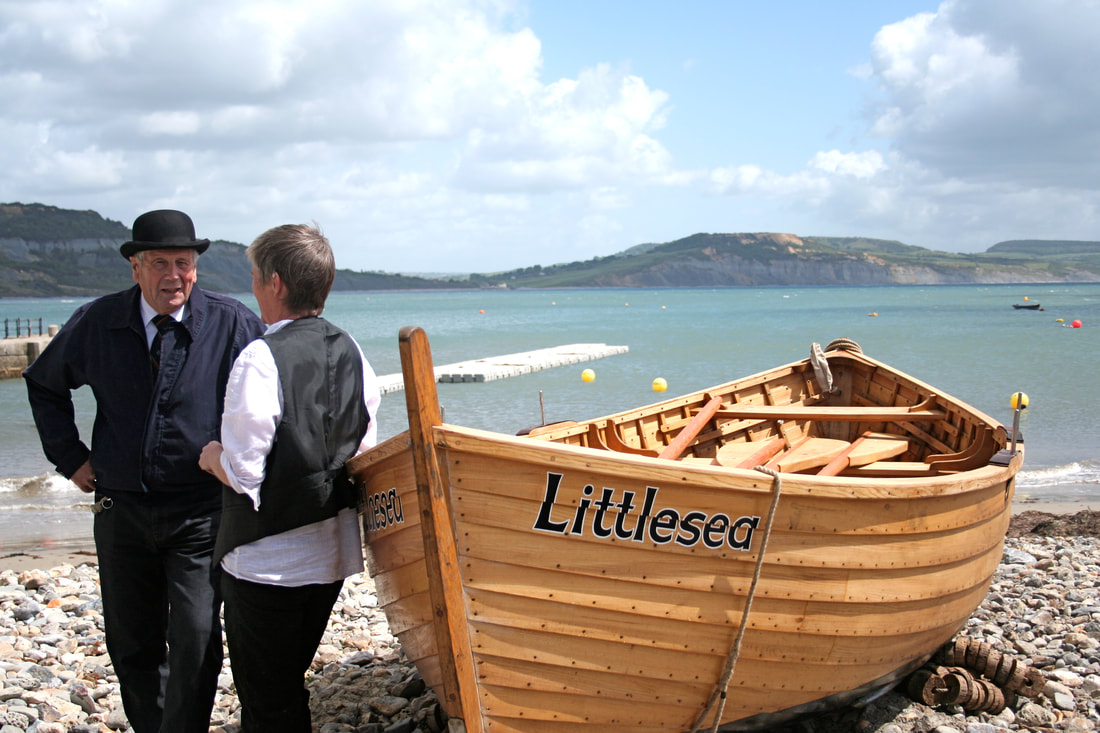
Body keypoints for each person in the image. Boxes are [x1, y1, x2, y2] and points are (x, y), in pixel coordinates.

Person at [23, 209, 265, 733]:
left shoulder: (232, 323)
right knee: (132, 643)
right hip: (121, 510)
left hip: (200, 513)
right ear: (135, 267)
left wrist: (243, 470)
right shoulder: (97, 321)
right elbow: (44, 383)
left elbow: (268, 402)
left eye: (184, 262)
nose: (173, 275)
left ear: (197, 267)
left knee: (198, 637)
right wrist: (70, 458)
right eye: (160, 263)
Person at [198, 223, 380, 732]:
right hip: (332, 554)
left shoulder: (259, 358)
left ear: (275, 283)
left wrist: (211, 456)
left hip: (266, 561)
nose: (252, 287)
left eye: (254, 277)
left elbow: (244, 473)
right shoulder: (354, 352)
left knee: (268, 700)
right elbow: (362, 452)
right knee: (285, 683)